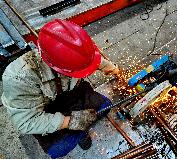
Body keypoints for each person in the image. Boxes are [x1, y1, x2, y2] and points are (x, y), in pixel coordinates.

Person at [1, 19, 119, 158]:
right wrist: (69, 122)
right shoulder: (18, 79)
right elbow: (26, 122)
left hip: (73, 94)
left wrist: (110, 68)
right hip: (47, 111)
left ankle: (81, 131)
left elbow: (88, 58)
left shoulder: (77, 48)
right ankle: (80, 135)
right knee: (60, 148)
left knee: (105, 106)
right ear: (56, 66)